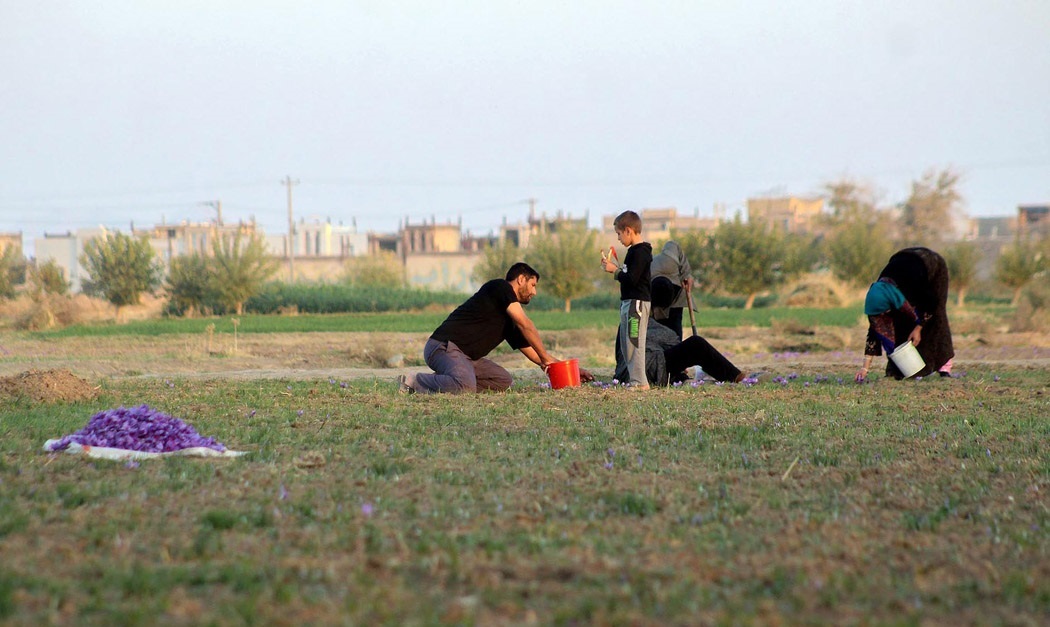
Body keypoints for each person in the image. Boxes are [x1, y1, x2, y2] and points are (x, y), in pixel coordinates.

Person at [398, 262, 593, 394]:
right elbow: (527, 325)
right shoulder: (499, 288)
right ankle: (413, 381)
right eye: (533, 285)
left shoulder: (509, 319)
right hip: (443, 347)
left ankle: (450, 381)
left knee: (502, 381)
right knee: (465, 386)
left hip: (466, 358)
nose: (534, 292)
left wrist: (570, 370)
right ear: (521, 279)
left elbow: (535, 355)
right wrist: (545, 358)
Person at [857, 247, 955, 381]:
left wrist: (918, 328)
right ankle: (898, 369)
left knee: (937, 315)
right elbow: (874, 332)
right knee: (900, 322)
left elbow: (932, 304)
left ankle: (944, 366)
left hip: (931, 264)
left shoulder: (911, 286)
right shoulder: (879, 295)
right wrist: (864, 369)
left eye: (885, 311)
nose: (884, 314)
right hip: (901, 259)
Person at [601, 211, 653, 389]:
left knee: (634, 341)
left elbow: (631, 278)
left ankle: (640, 382)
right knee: (626, 344)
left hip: (636, 304)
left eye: (619, 234)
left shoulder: (641, 253)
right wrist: (616, 268)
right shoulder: (633, 252)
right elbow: (629, 274)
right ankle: (635, 380)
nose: (618, 238)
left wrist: (614, 272)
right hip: (629, 303)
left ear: (628, 230)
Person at [614, 318, 747, 386]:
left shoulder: (627, 319)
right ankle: (734, 376)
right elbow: (670, 339)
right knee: (696, 344)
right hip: (650, 367)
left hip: (628, 372)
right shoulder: (644, 320)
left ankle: (680, 377)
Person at [650, 240, 693, 338]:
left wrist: (687, 274)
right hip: (653, 306)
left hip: (676, 298)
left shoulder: (668, 261)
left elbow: (674, 245)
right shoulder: (645, 274)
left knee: (675, 337)